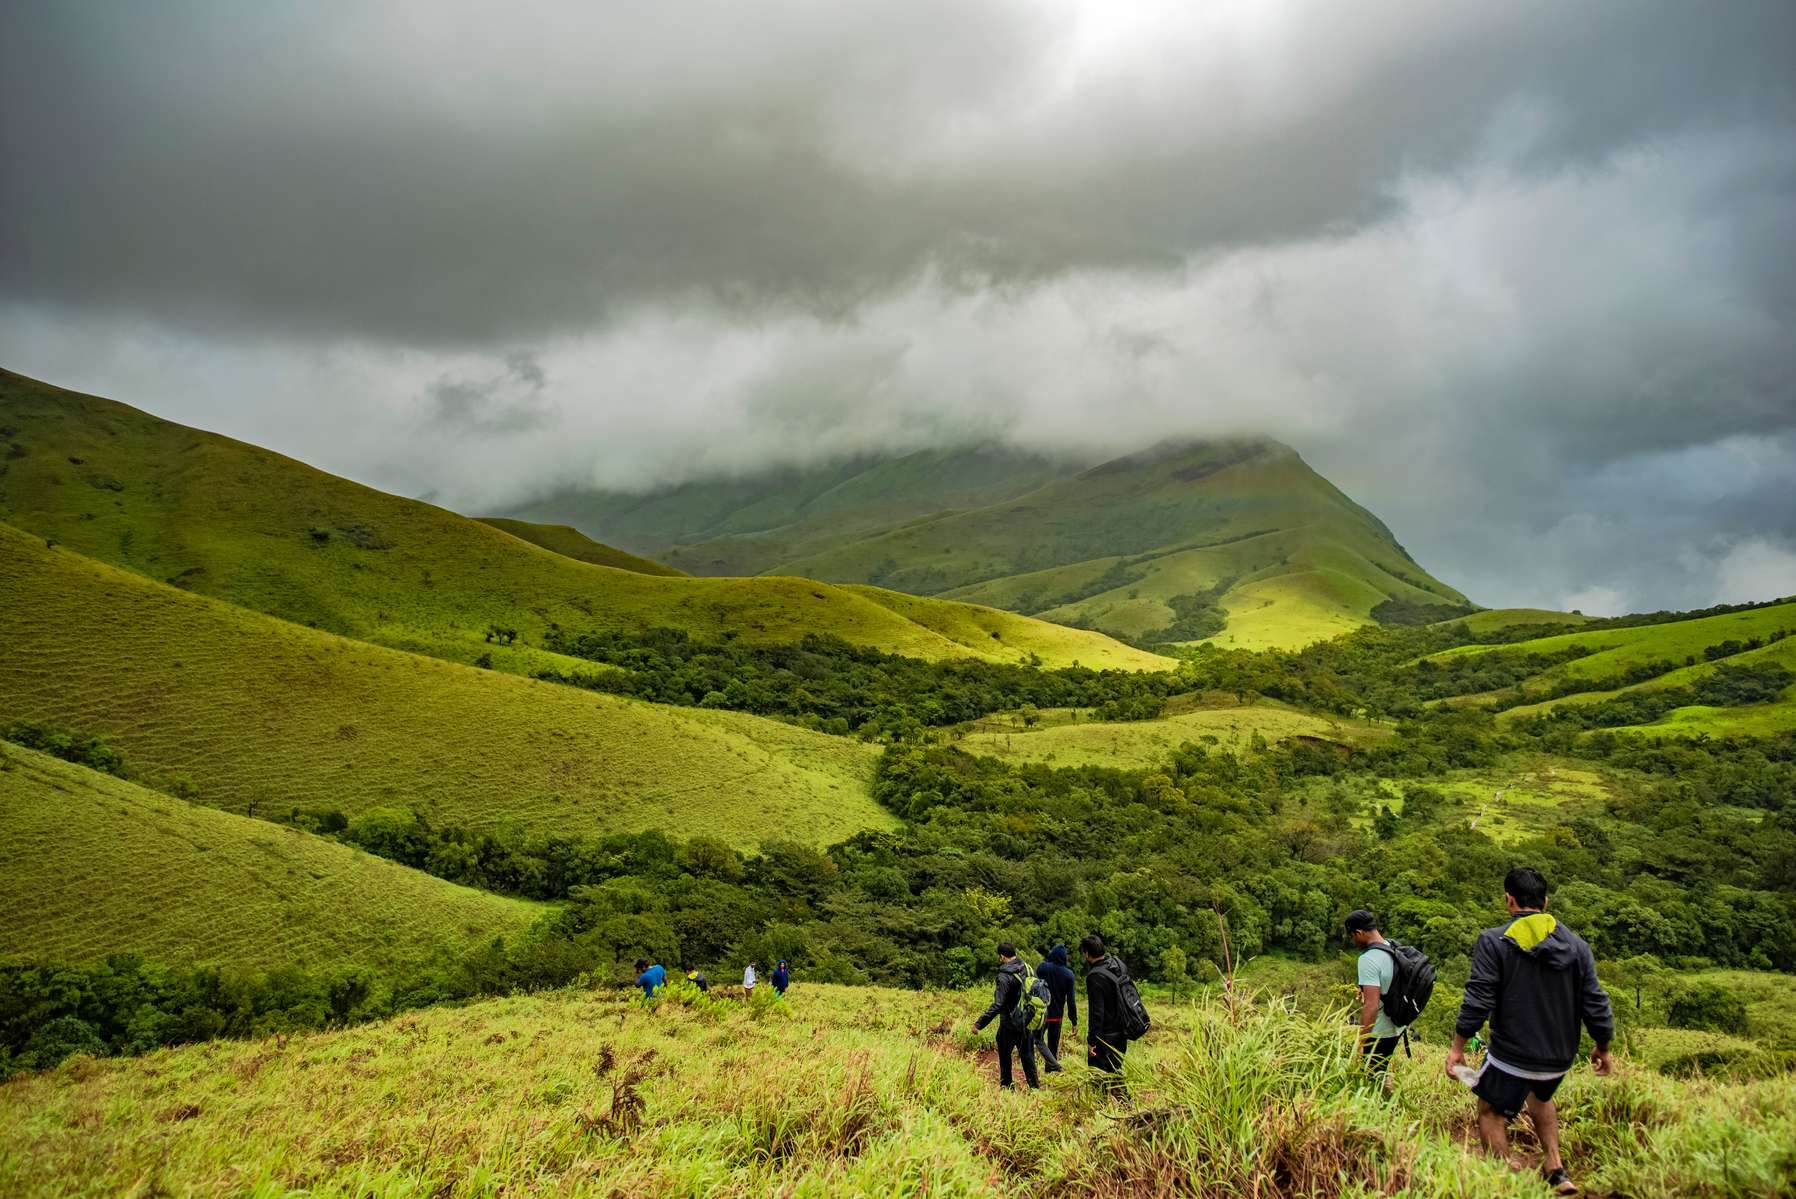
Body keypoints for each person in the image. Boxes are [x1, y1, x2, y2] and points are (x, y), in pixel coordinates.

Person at [1447, 868, 1614, 1197]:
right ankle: (1556, 1169)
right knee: (1541, 1097)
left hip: (1513, 1056)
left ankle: (1503, 1184)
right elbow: (1595, 1000)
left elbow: (1478, 999)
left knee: (1491, 1110)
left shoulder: (1494, 941)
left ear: (1509, 900)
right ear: (1546, 902)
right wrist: (1603, 1045)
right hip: (1560, 1058)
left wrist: (1457, 1047)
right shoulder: (1578, 946)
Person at [1344, 910, 1407, 1074]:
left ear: (1359, 933)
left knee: (1369, 1078)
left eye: (1352, 936)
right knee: (1380, 1071)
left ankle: (1389, 1098)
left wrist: (1362, 1042)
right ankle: (1389, 1093)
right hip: (1397, 1026)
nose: (1354, 941)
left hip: (1379, 1031)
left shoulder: (1368, 958)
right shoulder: (1390, 946)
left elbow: (1371, 1006)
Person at [972, 941, 1041, 1090]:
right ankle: (1035, 1088)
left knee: (1004, 1055)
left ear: (1002, 957)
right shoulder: (1027, 968)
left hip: (1009, 1022)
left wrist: (979, 1023)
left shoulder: (1004, 976)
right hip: (1027, 1019)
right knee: (1028, 1056)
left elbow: (998, 1004)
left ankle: (1007, 1087)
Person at [1080, 934, 1128, 1075]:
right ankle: (1124, 1098)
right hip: (1122, 1032)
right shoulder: (1117, 964)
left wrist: (1092, 1041)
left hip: (1106, 1037)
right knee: (1115, 1074)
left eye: (1084, 953)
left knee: (1098, 1078)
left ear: (1087, 953)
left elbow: (1096, 1014)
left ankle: (1101, 1098)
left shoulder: (1095, 977)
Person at [1037, 943, 1079, 1073]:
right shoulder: (1069, 974)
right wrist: (1074, 1021)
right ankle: (1051, 1072)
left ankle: (1051, 1067)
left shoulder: (1043, 968)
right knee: (1052, 1046)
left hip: (1041, 1013)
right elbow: (1071, 1000)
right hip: (1056, 1017)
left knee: (1035, 1039)